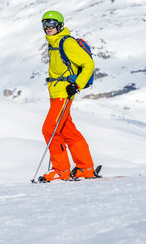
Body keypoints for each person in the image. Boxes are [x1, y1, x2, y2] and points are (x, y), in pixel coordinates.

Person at [41, 10, 96, 181]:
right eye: (45, 24)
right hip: (56, 92)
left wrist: (77, 84)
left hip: (64, 93)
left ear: (59, 25)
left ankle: (61, 171)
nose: (48, 27)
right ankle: (85, 168)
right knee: (67, 130)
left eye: (51, 24)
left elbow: (88, 64)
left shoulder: (66, 43)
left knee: (50, 129)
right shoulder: (54, 43)